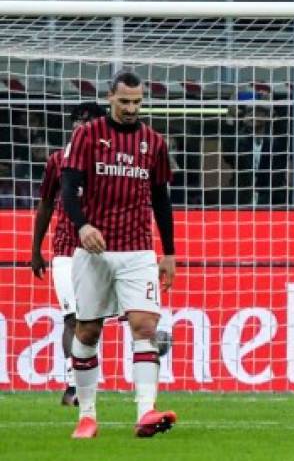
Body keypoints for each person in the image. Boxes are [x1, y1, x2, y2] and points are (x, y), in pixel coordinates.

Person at [60, 71, 177, 438]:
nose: (130, 109)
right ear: (110, 97)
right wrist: (82, 226)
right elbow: (67, 188)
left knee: (145, 326)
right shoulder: (87, 135)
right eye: (124, 101)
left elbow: (161, 198)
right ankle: (87, 416)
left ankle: (146, 412)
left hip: (138, 250)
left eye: (137, 102)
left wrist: (169, 252)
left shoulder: (153, 142)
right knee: (88, 330)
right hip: (94, 251)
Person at [30, 102, 104, 408]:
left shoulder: (109, 161)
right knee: (72, 317)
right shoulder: (58, 161)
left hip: (100, 250)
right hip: (64, 249)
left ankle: (84, 382)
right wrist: (35, 250)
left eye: (87, 120)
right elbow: (46, 204)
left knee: (92, 320)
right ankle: (72, 386)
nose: (80, 125)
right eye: (77, 120)